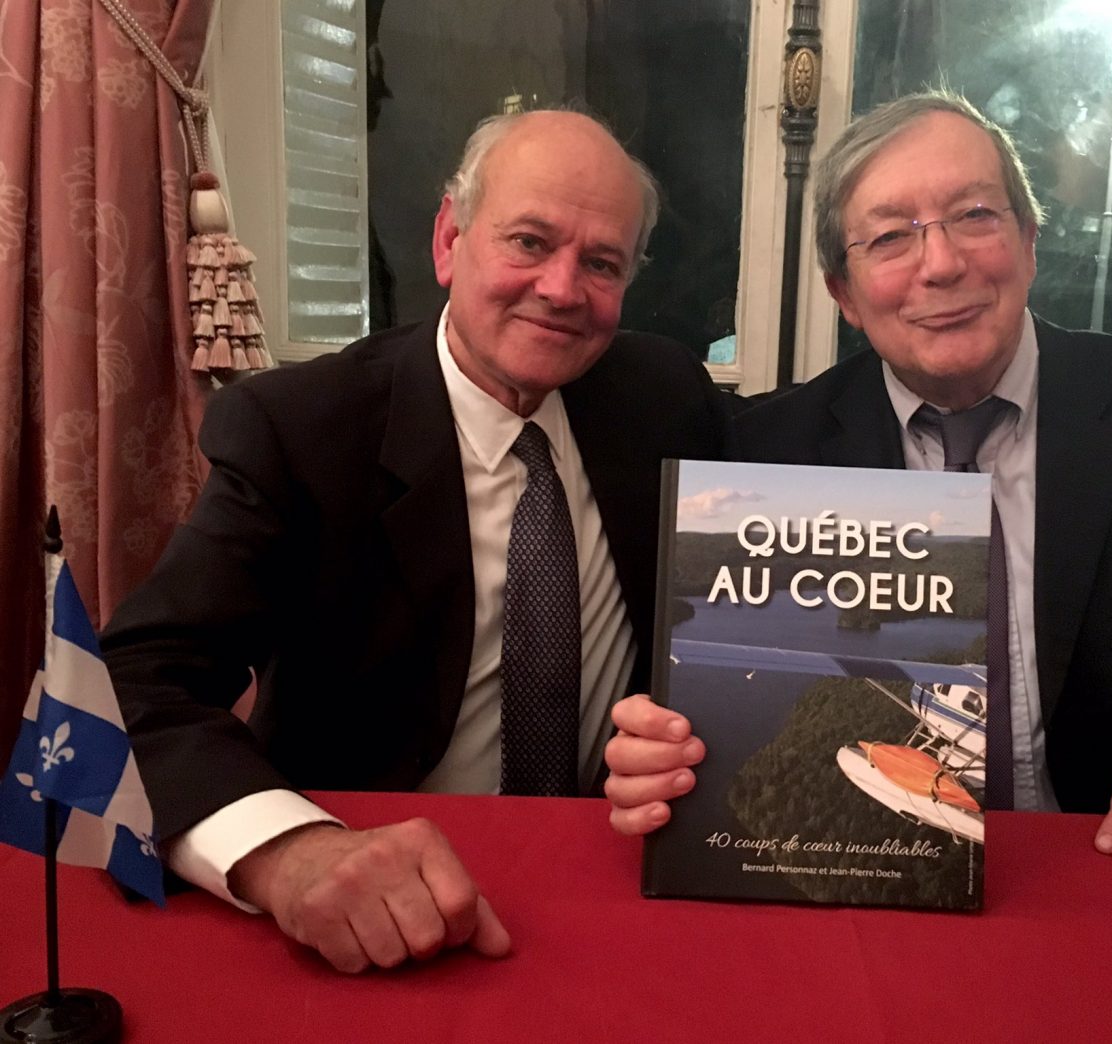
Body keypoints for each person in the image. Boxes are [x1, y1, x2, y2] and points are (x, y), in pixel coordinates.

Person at [604, 91, 1112, 876]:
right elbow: (721, 686)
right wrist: (665, 749)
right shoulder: (766, 451)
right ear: (843, 294)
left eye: (975, 216)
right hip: (869, 868)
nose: (942, 263)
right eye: (890, 237)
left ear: (1028, 239)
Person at [103, 110, 729, 972]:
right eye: (529, 241)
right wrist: (291, 854)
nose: (560, 288)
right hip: (371, 894)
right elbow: (134, 685)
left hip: (613, 878)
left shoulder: (662, 396)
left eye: (601, 262)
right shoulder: (302, 431)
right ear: (449, 239)